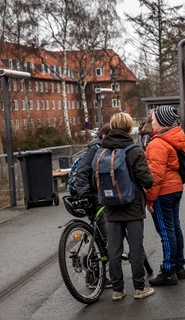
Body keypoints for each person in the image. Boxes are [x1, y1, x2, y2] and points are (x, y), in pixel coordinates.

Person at [101, 112, 155, 301]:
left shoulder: (103, 150)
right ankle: (139, 288)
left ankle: (117, 290)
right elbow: (147, 180)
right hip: (132, 206)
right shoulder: (134, 150)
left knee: (114, 249)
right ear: (128, 128)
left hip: (111, 207)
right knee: (136, 248)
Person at [145, 105, 185, 286]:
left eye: (154, 118)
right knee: (175, 229)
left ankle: (168, 271)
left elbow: (155, 177)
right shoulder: (174, 138)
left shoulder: (157, 143)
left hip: (163, 192)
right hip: (175, 188)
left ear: (162, 122)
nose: (152, 121)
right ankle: (179, 267)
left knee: (166, 232)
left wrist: (150, 199)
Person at [75, 123, 112, 289]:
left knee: (101, 236)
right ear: (104, 136)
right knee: (106, 238)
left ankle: (96, 275)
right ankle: (95, 277)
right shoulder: (95, 149)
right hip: (93, 198)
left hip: (99, 196)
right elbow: (81, 172)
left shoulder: (101, 147)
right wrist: (85, 195)